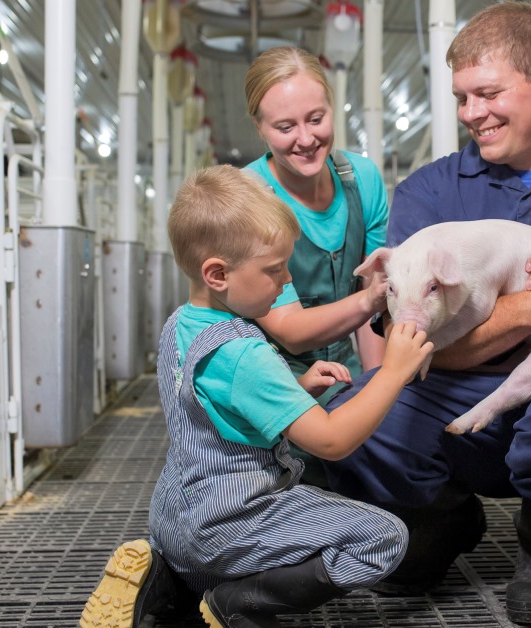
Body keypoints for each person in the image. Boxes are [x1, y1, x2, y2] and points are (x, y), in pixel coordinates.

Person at [321, 3, 531, 626]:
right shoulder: (431, 192)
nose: (471, 114)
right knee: (345, 424)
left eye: (488, 93)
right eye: (462, 97)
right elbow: (411, 339)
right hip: (454, 382)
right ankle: (438, 518)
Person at [79, 165, 434, 628]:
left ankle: (170, 580)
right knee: (383, 537)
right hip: (229, 519)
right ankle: (238, 601)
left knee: (243, 537)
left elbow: (211, 402)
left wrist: (297, 387)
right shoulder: (245, 353)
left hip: (174, 514)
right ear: (218, 273)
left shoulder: (182, 324)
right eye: (274, 270)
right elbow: (331, 441)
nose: (286, 280)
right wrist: (394, 370)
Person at [243, 46, 389, 401]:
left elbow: (372, 314)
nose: (306, 139)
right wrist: (371, 299)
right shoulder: (248, 197)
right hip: (272, 382)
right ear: (260, 129)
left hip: (344, 372)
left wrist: (376, 389)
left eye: (316, 118)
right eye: (285, 126)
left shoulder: (362, 178)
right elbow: (289, 329)